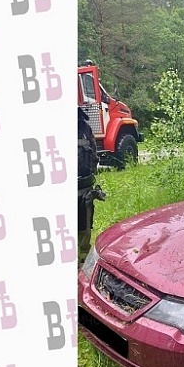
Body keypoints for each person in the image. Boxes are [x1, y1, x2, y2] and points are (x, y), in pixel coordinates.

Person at [78, 106, 104, 268]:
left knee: (84, 230)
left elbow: (93, 156)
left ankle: (83, 265)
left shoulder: (85, 128)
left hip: (84, 191)